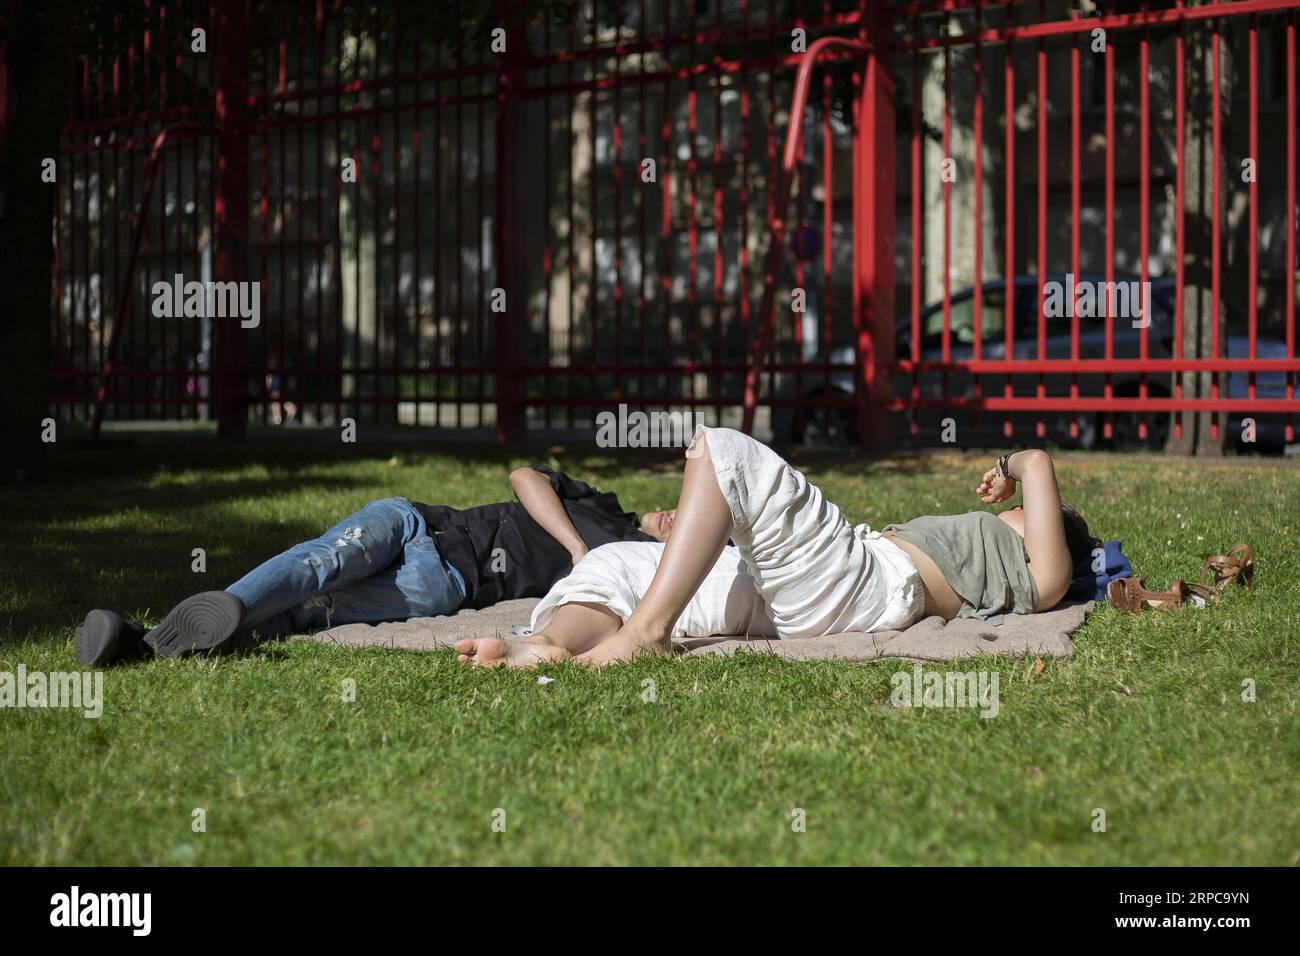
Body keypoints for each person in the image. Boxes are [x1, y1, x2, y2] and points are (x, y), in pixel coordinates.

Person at [454, 426, 1100, 668]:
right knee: (623, 561)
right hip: (837, 584)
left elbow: (1040, 460)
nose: (1014, 510)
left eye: (1022, 513)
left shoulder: (1039, 573)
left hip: (862, 587)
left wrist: (1009, 466)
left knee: (724, 451)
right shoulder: (1001, 557)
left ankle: (644, 635)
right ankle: (550, 648)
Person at [74, 466, 675, 666]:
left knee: (309, 608)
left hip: (446, 580)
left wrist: (592, 565)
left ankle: (146, 643)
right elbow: (523, 476)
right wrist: (576, 546)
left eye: (690, 524)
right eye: (678, 507)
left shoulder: (636, 564)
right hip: (417, 521)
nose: (676, 515)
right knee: (322, 561)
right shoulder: (599, 505)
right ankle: (174, 633)